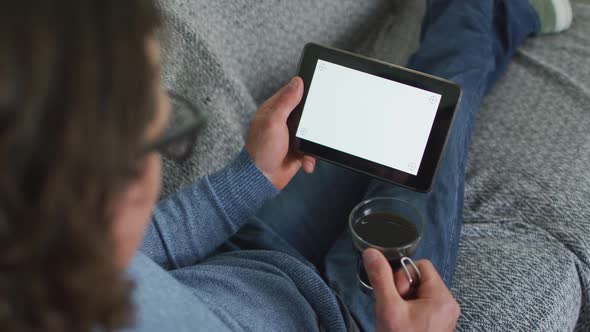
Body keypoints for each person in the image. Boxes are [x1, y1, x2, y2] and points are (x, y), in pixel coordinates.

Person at [0, 0, 572, 331]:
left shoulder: (44, 245)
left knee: (416, 111)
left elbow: (149, 242)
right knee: (448, 105)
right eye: (159, 136)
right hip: (351, 317)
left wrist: (250, 176)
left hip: (253, 253)